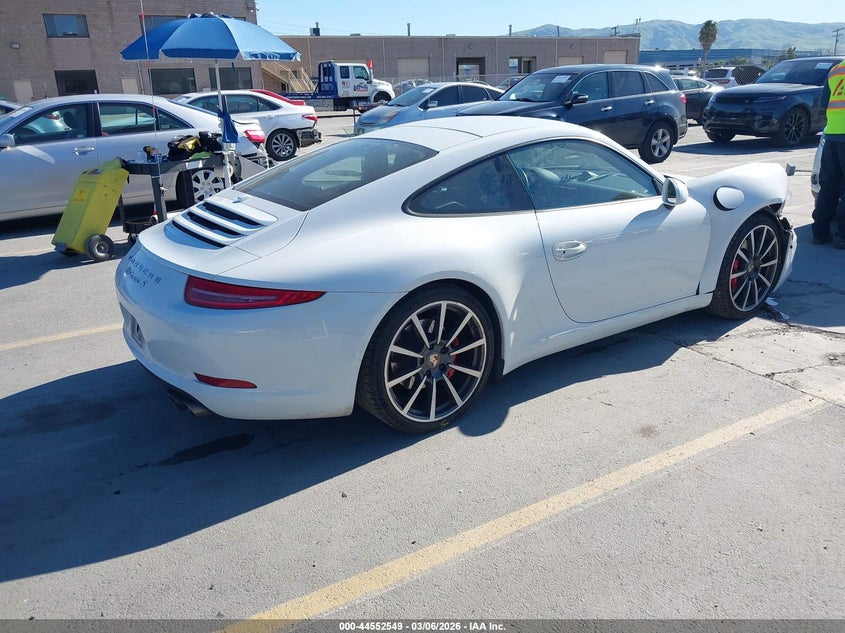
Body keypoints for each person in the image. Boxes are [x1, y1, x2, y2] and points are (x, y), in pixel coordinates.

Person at [811, 59, 845, 248]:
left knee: (828, 187)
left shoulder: (836, 70)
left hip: (832, 135)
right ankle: (843, 237)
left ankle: (820, 233)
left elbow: (825, 102)